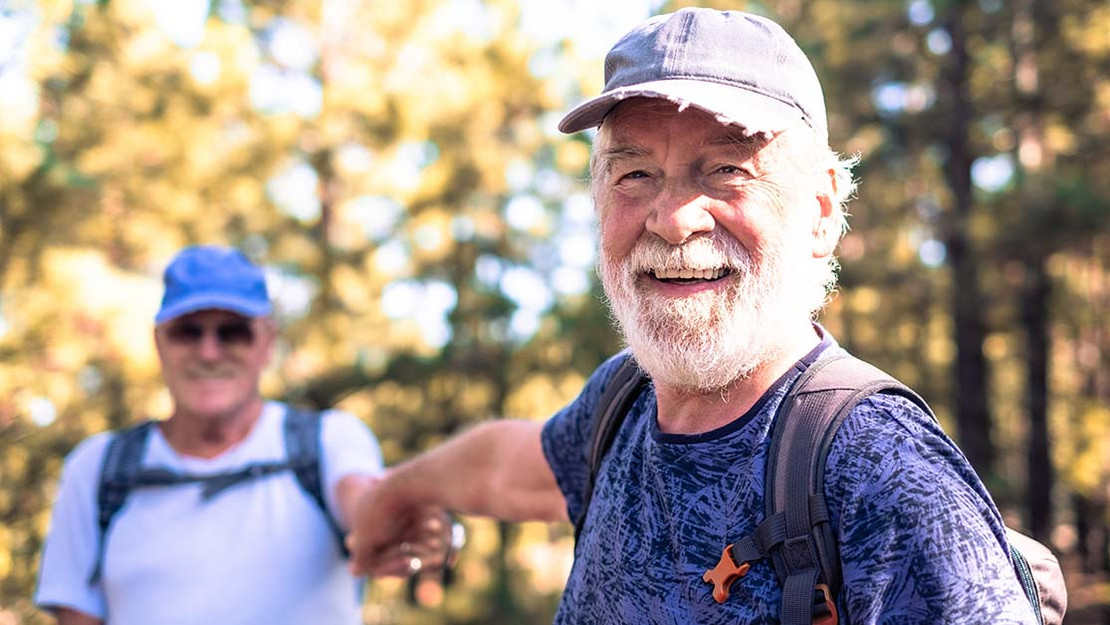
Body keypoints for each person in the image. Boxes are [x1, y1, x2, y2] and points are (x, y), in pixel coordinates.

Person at [346, 8, 1039, 624]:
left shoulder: (884, 472)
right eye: (635, 174)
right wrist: (397, 491)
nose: (674, 220)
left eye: (726, 170)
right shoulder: (621, 405)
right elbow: (509, 467)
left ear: (822, 211)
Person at [36, 245, 442, 625]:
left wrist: (403, 525)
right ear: (159, 343)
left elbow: (362, 501)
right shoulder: (96, 469)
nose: (209, 352)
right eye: (188, 332)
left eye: (232, 332)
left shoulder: (328, 440)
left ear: (267, 343)